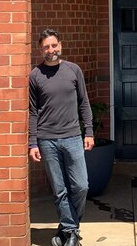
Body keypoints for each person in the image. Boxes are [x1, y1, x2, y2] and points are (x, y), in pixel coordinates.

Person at [29, 29, 94, 246]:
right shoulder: (35, 75)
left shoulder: (74, 70)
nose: (51, 50)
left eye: (54, 45)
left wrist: (90, 132)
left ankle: (67, 227)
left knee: (81, 186)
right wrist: (33, 143)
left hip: (73, 137)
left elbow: (84, 103)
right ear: (41, 49)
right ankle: (71, 232)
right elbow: (32, 111)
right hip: (47, 139)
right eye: (46, 47)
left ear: (60, 45)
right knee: (59, 189)